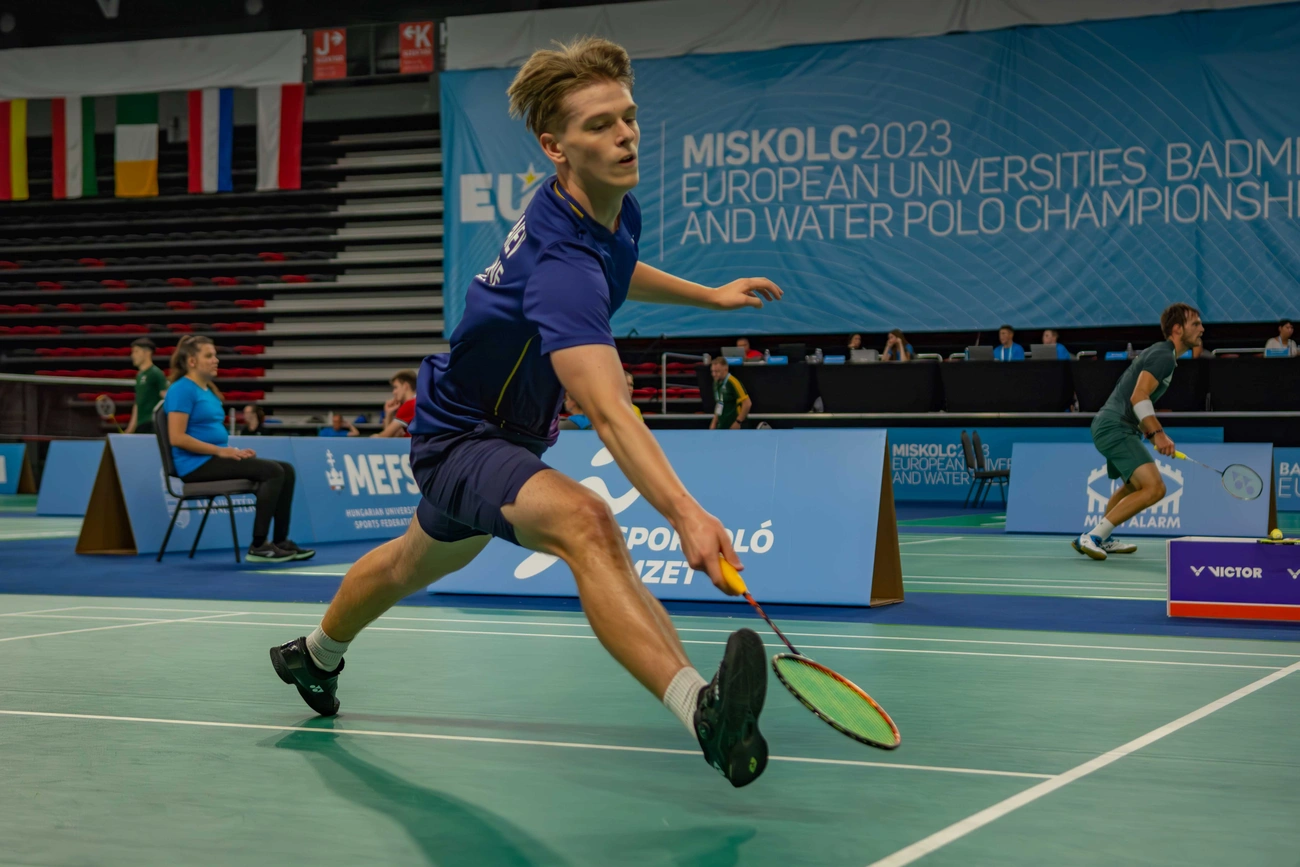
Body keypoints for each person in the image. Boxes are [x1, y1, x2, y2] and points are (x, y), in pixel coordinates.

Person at [269, 37, 782, 788]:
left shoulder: (607, 209)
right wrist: (686, 514)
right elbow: (609, 411)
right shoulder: (560, 267)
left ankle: (313, 656)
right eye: (600, 125)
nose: (626, 135)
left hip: (500, 436)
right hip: (464, 437)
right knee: (588, 522)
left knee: (409, 562)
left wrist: (708, 296)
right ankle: (701, 710)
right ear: (555, 147)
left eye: (629, 117)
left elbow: (617, 267)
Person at [163, 335, 314, 564]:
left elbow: (211, 435)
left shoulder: (208, 391)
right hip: (194, 465)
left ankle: (281, 542)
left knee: (287, 470)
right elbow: (177, 438)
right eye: (209, 355)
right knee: (273, 471)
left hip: (213, 458)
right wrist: (220, 452)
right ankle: (259, 546)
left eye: (215, 355)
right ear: (192, 361)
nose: (216, 360)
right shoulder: (181, 390)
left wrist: (233, 451)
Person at [1073, 303, 1204, 560]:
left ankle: (1103, 538)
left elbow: (1137, 399)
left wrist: (1148, 430)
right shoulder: (1164, 356)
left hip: (1117, 425)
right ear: (1178, 329)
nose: (1202, 329)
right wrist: (1158, 434)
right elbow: (1139, 396)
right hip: (1115, 426)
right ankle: (1092, 537)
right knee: (1155, 488)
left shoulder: (1164, 355)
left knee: (1133, 486)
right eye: (1196, 324)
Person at [123, 337, 167, 435]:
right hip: (141, 425)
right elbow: (137, 403)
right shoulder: (139, 375)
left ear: (147, 352)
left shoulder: (156, 373)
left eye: (136, 351)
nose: (132, 355)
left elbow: (165, 396)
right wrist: (131, 428)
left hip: (152, 424)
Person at [709, 355, 752, 430]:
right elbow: (719, 403)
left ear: (726, 369)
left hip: (735, 427)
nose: (714, 374)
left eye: (717, 371)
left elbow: (747, 403)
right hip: (722, 426)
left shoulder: (733, 382)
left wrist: (738, 422)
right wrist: (714, 423)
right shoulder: (716, 383)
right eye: (712, 371)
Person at [372, 370, 417, 438]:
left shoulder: (409, 405)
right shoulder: (417, 402)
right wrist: (389, 413)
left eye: (396, 387)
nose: (394, 392)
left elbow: (385, 437)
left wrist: (388, 414)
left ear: (405, 386)